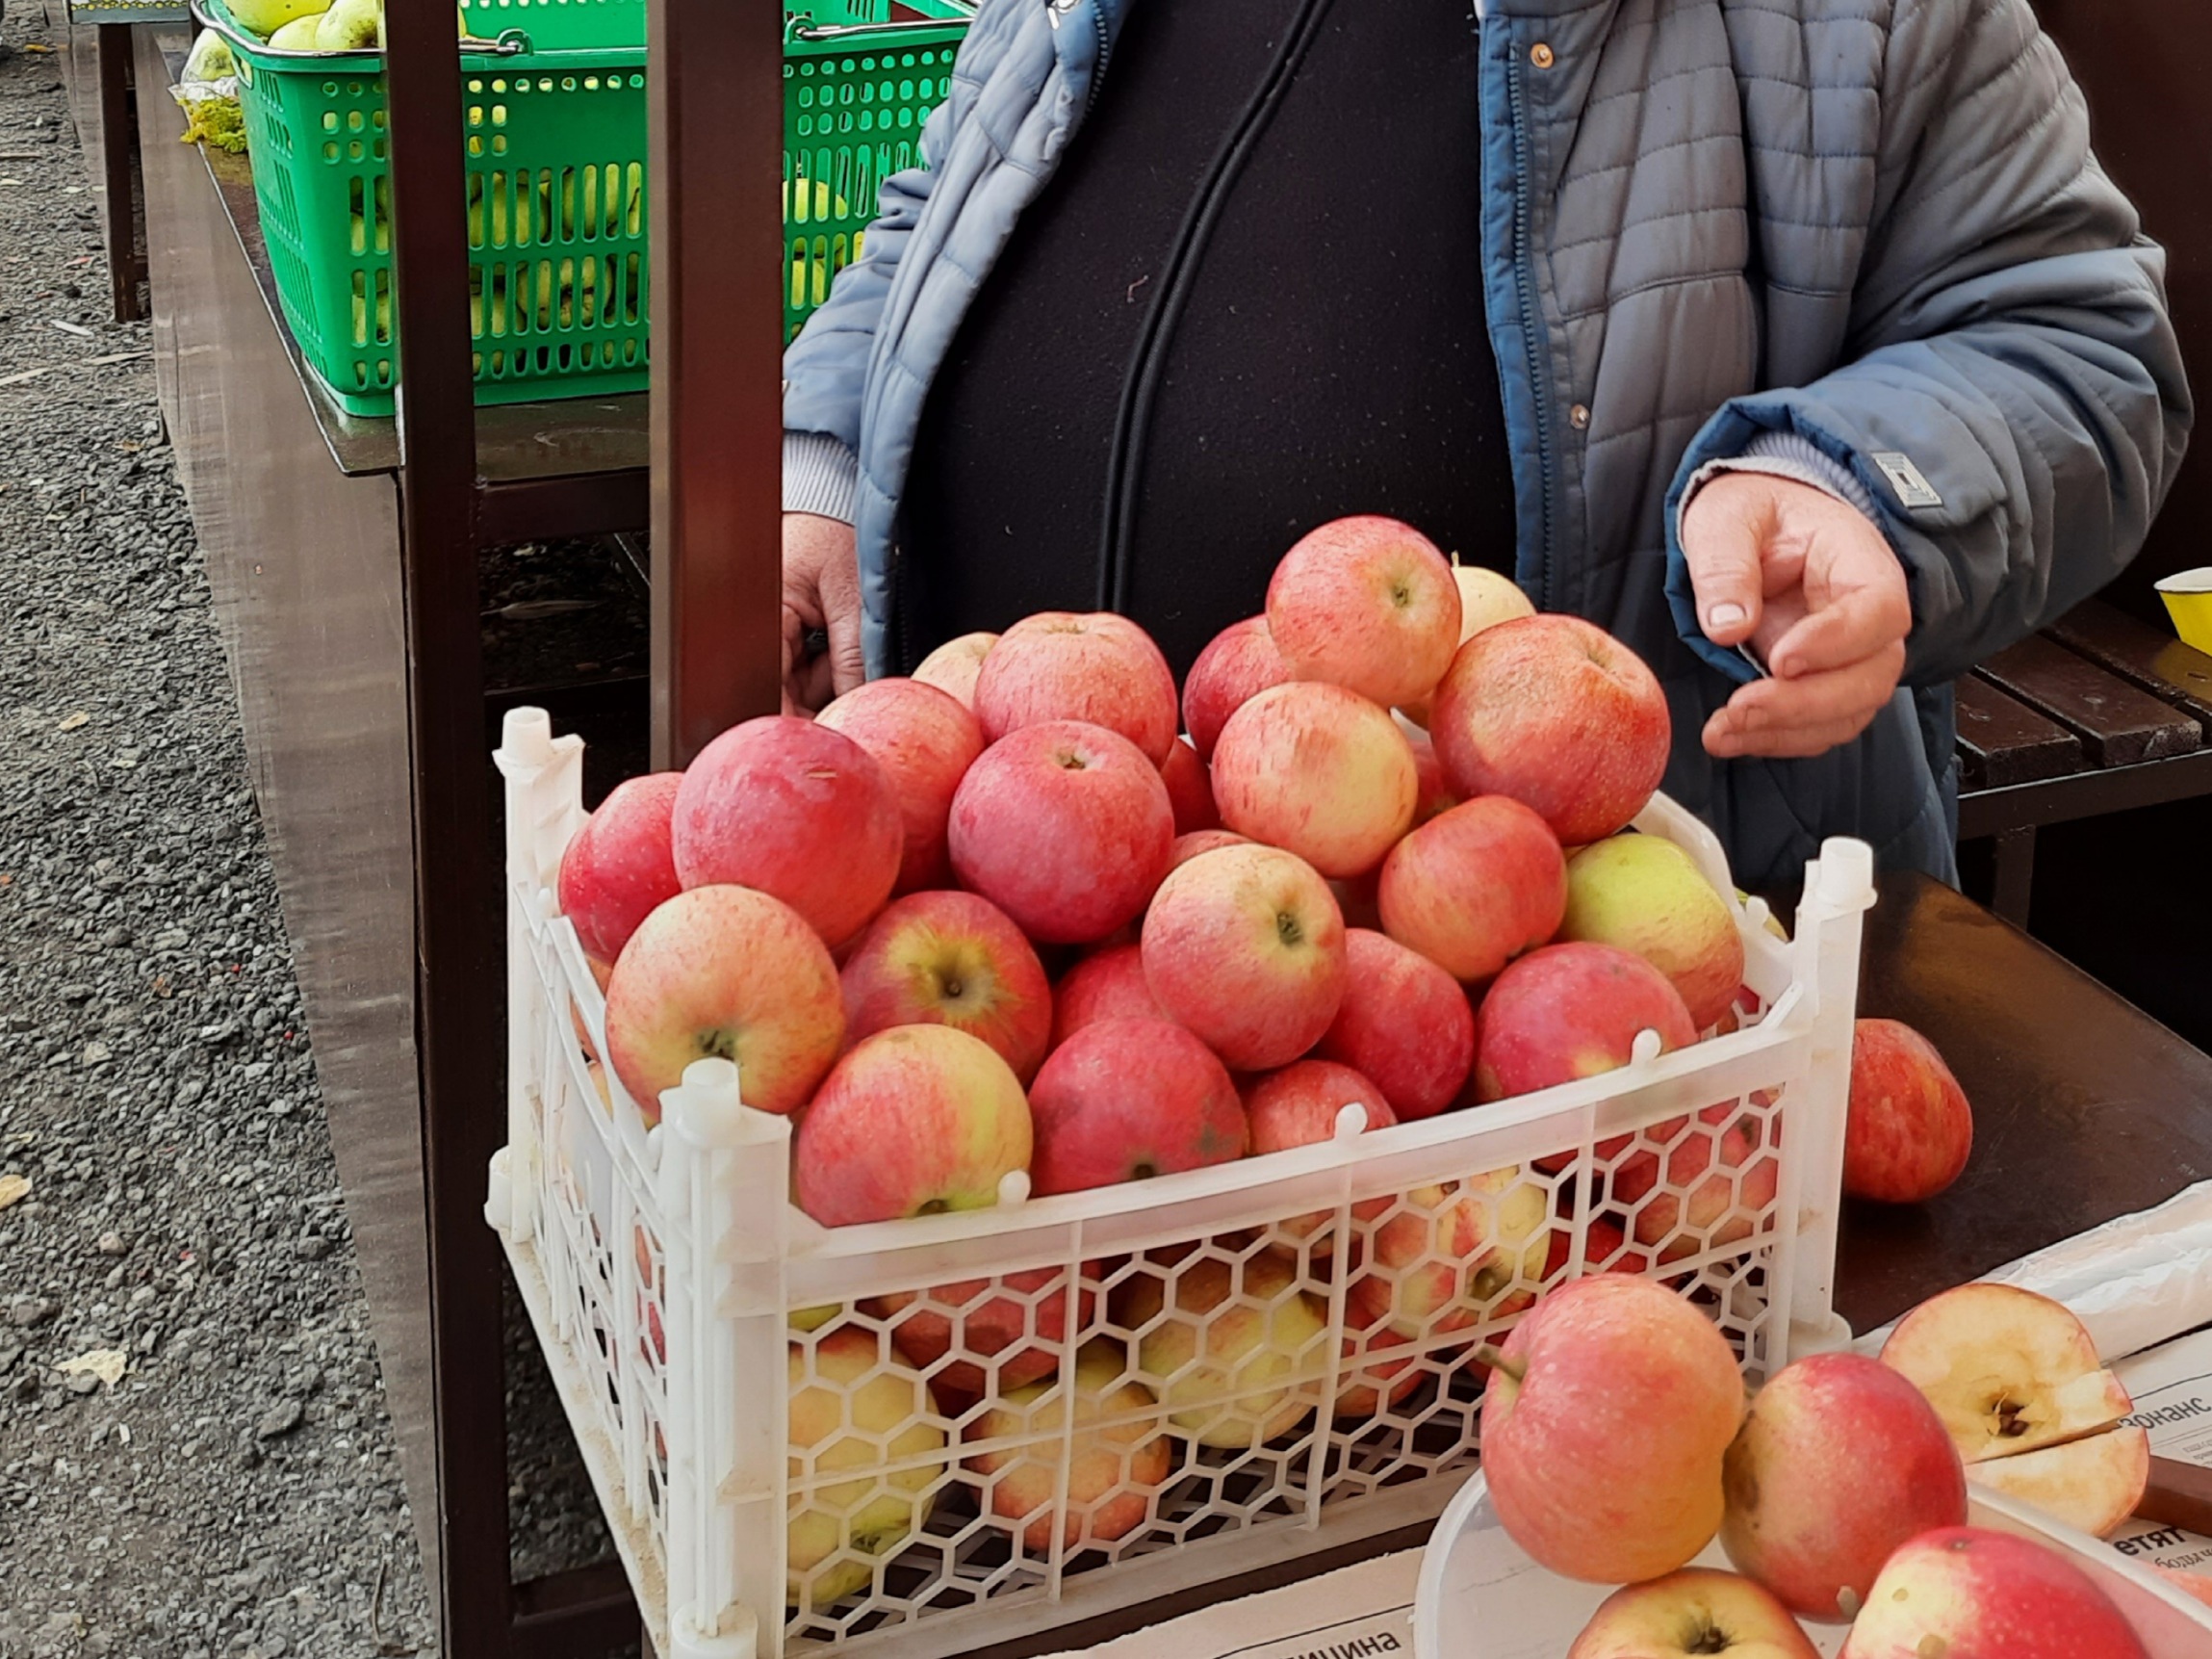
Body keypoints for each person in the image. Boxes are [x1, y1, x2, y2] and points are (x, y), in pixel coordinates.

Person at [778, 0, 2190, 891]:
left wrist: (1845, 479)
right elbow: (942, 199)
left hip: (1569, 1042)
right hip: (1020, 968)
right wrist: (827, 461)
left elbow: (2073, 344)